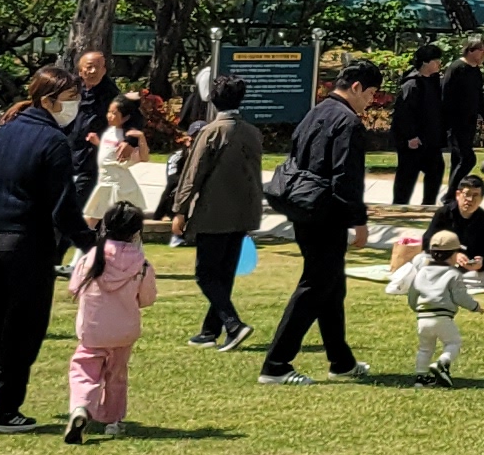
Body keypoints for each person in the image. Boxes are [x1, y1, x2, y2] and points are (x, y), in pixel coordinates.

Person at [0, 69, 96, 432]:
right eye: (70, 98)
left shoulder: (4, 131)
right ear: (48, 100)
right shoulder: (53, 141)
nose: (75, 105)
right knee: (25, 327)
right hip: (28, 245)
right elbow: (63, 208)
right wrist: (90, 245)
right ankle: (7, 410)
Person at [258, 61, 382, 385]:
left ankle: (341, 361)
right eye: (370, 93)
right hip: (328, 214)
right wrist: (359, 221)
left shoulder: (315, 113)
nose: (370, 101)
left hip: (302, 208)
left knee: (331, 286)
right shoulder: (348, 122)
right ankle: (276, 365)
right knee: (316, 285)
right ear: (356, 87)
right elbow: (346, 177)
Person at [171, 74, 266, 350]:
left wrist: (180, 210)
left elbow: (193, 174)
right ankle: (209, 331)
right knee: (224, 274)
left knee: (206, 274)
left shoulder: (212, 132)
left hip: (215, 213)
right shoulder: (252, 132)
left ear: (212, 99)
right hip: (244, 212)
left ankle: (233, 324)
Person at [64, 201, 158, 444]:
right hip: (124, 331)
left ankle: (82, 407)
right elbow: (147, 299)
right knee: (117, 375)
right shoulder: (141, 264)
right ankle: (113, 420)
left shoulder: (91, 258)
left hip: (92, 330)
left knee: (84, 371)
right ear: (137, 232)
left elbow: (74, 288)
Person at [387, 226, 484, 386]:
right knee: (453, 343)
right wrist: (475, 307)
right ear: (453, 254)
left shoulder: (422, 272)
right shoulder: (453, 274)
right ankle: (442, 362)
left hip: (423, 318)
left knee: (425, 349)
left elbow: (413, 294)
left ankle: (421, 378)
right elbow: (460, 297)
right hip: (443, 317)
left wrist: (417, 309)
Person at [390, 45, 448, 208]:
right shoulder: (412, 84)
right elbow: (404, 113)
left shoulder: (434, 82)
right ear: (425, 62)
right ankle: (399, 206)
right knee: (407, 176)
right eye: (435, 61)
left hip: (430, 140)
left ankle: (428, 205)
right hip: (413, 141)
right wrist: (410, 136)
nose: (439, 64)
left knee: (436, 170)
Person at [85, 96, 152, 225]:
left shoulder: (128, 137)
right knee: (95, 217)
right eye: (109, 112)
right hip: (104, 182)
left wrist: (141, 138)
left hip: (119, 186)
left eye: (114, 113)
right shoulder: (110, 131)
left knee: (114, 220)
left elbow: (144, 157)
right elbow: (109, 153)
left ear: (125, 117)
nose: (109, 116)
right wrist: (98, 142)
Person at [433, 169, 484, 281]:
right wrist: (452, 256)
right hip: (444, 263)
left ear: (481, 199)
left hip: (469, 269)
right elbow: (428, 242)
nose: (470, 200)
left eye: (475, 195)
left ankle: (453, 282)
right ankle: (451, 281)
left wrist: (481, 263)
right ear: (458, 195)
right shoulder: (443, 213)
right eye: (467, 194)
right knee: (420, 260)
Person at [442, 37, 484, 190]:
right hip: (455, 124)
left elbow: (479, 100)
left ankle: (454, 194)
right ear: (471, 50)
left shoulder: (475, 71)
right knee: (468, 159)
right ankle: (449, 195)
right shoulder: (456, 68)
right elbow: (445, 97)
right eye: (482, 51)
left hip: (469, 123)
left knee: (458, 161)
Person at [68, 48, 116, 149]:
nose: (93, 71)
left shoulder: (112, 95)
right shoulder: (70, 91)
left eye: (97, 67)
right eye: (89, 67)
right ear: (80, 71)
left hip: (97, 148)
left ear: (104, 71)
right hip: (71, 145)